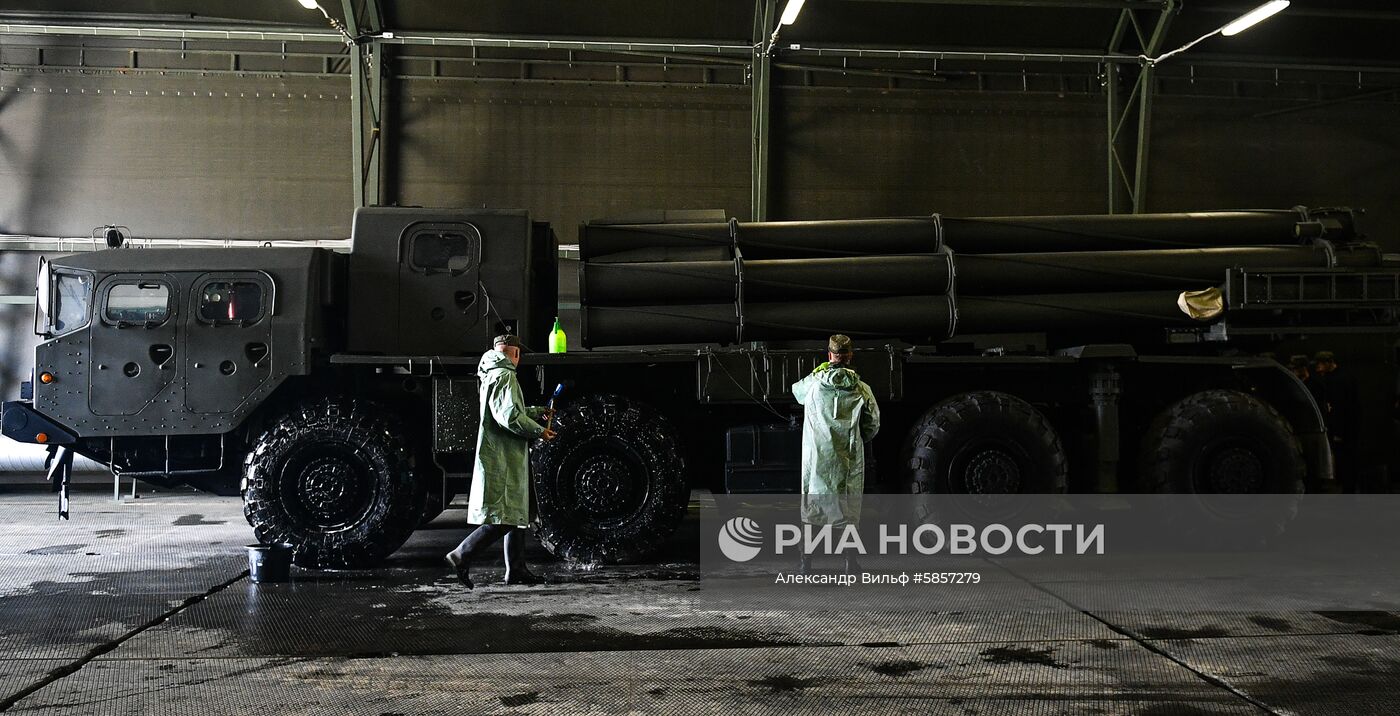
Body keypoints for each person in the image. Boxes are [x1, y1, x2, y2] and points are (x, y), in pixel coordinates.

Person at [446, 334, 557, 588]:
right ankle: (461, 554)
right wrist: (540, 430)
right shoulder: (506, 376)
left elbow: (508, 409)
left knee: (515, 512)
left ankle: (516, 569)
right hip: (504, 455)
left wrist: (537, 412)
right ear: (515, 354)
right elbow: (509, 417)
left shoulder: (491, 373)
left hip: (501, 452)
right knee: (504, 517)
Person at [790, 334, 880, 574]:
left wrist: (818, 371)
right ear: (850, 356)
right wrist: (856, 441)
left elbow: (796, 392)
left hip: (817, 460)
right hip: (848, 459)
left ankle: (805, 563)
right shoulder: (862, 389)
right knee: (849, 511)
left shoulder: (813, 383)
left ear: (829, 355)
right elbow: (873, 425)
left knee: (811, 509)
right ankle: (851, 563)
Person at [1313, 350, 1360, 492]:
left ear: (1328, 363)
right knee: (1345, 458)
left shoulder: (1338, 380)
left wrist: (1339, 432)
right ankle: (1348, 486)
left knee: (1345, 458)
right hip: (1345, 426)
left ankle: (1348, 487)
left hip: (1343, 428)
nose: (1318, 368)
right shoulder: (1340, 377)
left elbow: (1342, 407)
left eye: (1321, 364)